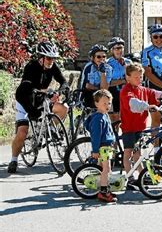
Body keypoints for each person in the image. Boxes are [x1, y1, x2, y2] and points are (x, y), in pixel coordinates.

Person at [8, 41, 69, 173]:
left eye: (53, 58)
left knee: (63, 108)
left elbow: (63, 81)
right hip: (25, 99)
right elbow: (27, 86)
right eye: (48, 58)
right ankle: (13, 159)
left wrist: (59, 92)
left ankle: (50, 128)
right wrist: (43, 92)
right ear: (41, 58)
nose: (51, 61)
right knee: (22, 132)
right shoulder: (31, 67)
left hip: (41, 99)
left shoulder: (53, 66)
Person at [120, 63, 162, 189]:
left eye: (141, 77)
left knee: (138, 153)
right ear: (128, 78)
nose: (139, 79)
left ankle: (142, 174)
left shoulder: (141, 89)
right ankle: (129, 178)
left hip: (140, 126)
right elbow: (133, 103)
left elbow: (152, 92)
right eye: (136, 77)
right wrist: (147, 106)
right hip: (129, 127)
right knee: (128, 153)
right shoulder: (126, 91)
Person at [84, 89, 116, 202]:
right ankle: (103, 192)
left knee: (106, 169)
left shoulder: (104, 115)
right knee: (106, 169)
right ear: (96, 103)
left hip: (107, 146)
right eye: (104, 103)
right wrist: (95, 150)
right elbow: (96, 136)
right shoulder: (98, 118)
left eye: (109, 103)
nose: (107, 106)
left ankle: (105, 187)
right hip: (103, 147)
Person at [79, 44, 113, 108]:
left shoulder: (109, 69)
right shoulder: (88, 67)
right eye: (98, 57)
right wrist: (99, 88)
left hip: (102, 95)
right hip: (89, 94)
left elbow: (104, 89)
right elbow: (87, 86)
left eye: (104, 57)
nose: (102, 59)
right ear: (93, 58)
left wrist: (103, 72)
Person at [106, 37, 131, 122]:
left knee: (122, 118)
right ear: (112, 50)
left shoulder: (128, 62)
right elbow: (107, 83)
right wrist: (123, 81)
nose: (119, 51)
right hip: (112, 93)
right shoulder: (107, 64)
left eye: (121, 48)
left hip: (124, 93)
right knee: (113, 119)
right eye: (117, 48)